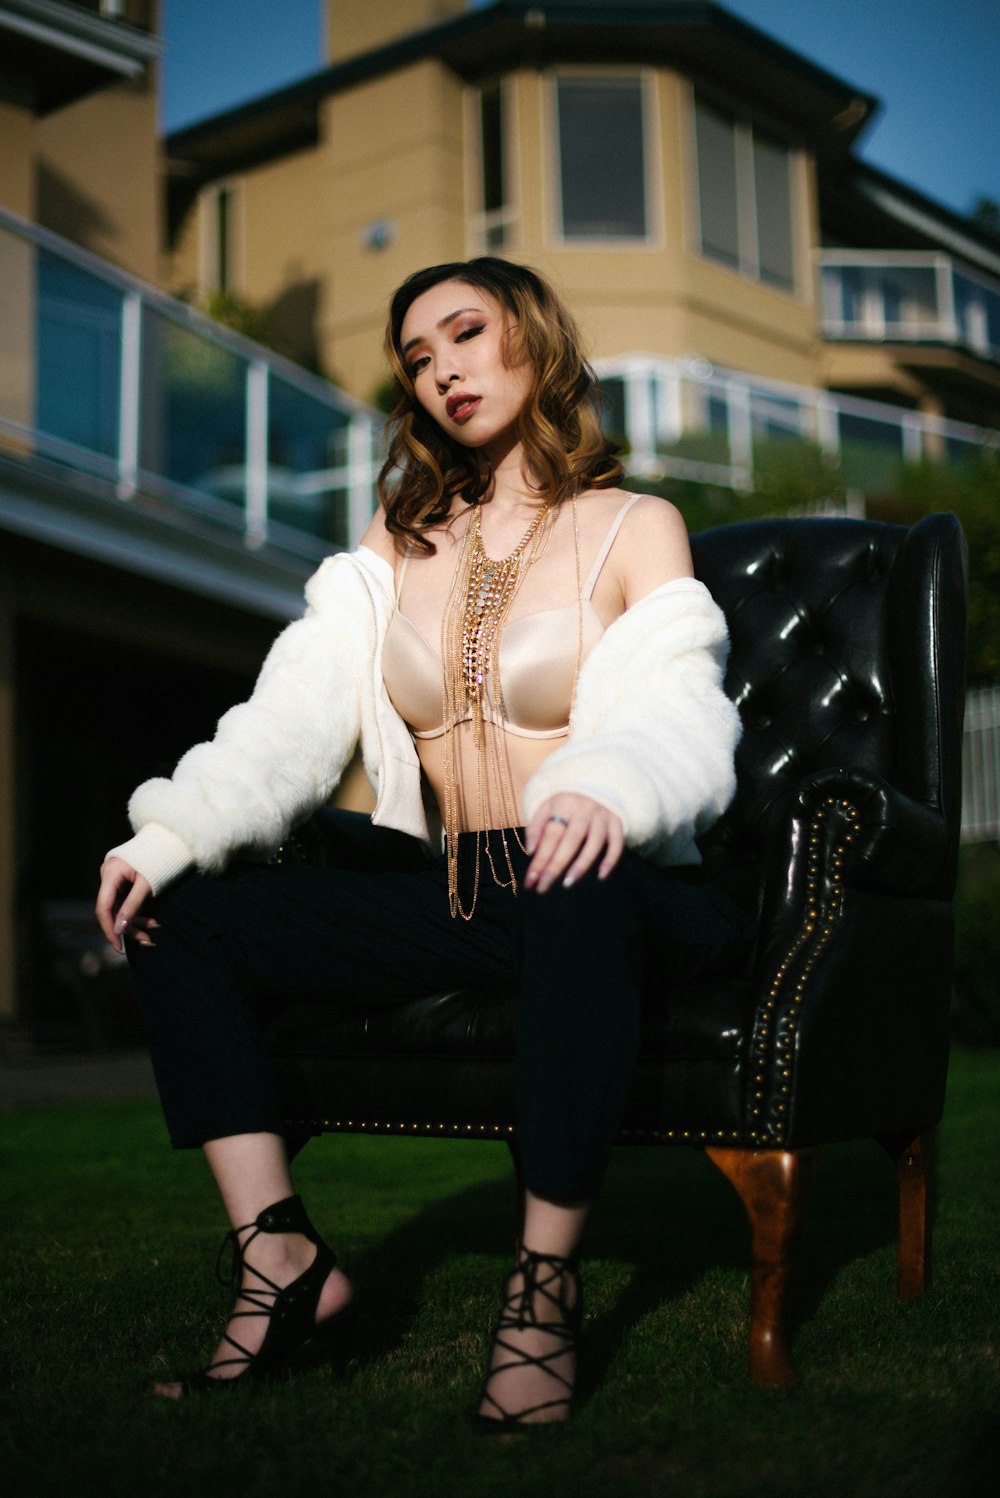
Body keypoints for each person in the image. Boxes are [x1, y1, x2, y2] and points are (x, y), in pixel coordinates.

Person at [95, 257, 754, 1426]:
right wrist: (172, 834)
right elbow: (291, 716)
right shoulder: (392, 546)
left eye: (465, 332)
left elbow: (679, 703)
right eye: (417, 355)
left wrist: (606, 785)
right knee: (181, 910)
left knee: (572, 884)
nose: (443, 367)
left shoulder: (633, 525)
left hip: (617, 877)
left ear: (533, 341)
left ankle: (540, 1292)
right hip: (458, 892)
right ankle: (281, 1261)